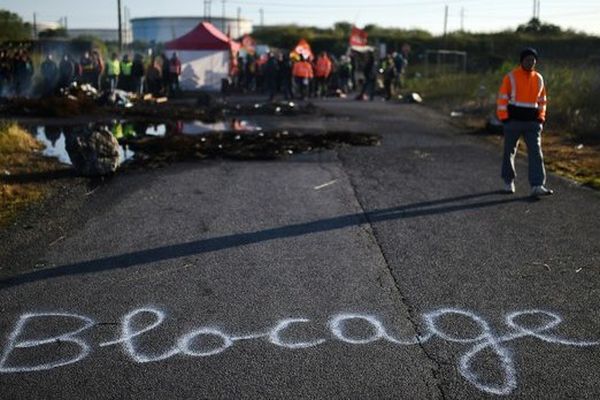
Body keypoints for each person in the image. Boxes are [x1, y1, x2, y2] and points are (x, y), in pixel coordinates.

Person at [497, 48, 553, 197]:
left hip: (532, 123)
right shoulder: (511, 77)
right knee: (509, 151)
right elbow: (502, 98)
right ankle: (508, 182)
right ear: (521, 61)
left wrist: (541, 117)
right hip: (513, 122)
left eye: (533, 60)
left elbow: (542, 101)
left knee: (536, 153)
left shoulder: (539, 78)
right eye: (528, 59)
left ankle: (537, 185)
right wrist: (504, 118)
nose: (531, 62)